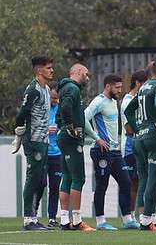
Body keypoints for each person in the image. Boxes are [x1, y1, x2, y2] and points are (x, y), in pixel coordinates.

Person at [123, 60, 156, 231]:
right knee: (155, 179)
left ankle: (149, 217)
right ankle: (146, 221)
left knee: (144, 179)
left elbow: (128, 110)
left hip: (139, 139)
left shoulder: (143, 87)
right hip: (154, 137)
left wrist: (137, 129)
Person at [84, 74, 136, 230]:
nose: (120, 90)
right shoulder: (99, 101)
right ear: (108, 86)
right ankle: (100, 222)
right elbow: (83, 117)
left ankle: (127, 219)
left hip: (115, 151)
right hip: (101, 150)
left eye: (121, 87)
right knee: (102, 185)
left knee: (126, 182)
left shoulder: (114, 101)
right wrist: (96, 138)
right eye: (117, 87)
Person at [14, 56, 56, 231]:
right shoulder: (33, 90)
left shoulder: (46, 88)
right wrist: (19, 132)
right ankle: (28, 219)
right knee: (33, 178)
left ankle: (34, 217)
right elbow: (22, 113)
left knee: (41, 181)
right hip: (33, 140)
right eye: (48, 68)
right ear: (39, 70)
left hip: (43, 140)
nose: (52, 70)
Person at [56, 63, 96, 231]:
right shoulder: (73, 88)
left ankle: (65, 219)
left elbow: (62, 110)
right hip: (71, 138)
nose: (87, 78)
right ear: (78, 72)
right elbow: (65, 109)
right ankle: (78, 220)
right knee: (78, 178)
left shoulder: (64, 88)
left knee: (67, 177)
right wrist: (71, 127)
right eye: (86, 74)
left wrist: (65, 127)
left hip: (63, 136)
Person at [121, 70, 147, 217]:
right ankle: (129, 216)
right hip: (130, 146)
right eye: (144, 84)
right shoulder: (126, 102)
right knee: (132, 183)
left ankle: (145, 215)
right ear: (137, 83)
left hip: (141, 145)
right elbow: (129, 129)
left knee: (143, 181)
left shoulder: (141, 99)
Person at [45, 82, 62, 228]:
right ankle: (30, 217)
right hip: (42, 152)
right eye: (53, 98)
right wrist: (46, 130)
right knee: (38, 184)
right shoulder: (41, 109)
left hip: (57, 154)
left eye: (57, 98)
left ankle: (52, 218)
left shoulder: (61, 109)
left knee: (55, 187)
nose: (54, 101)